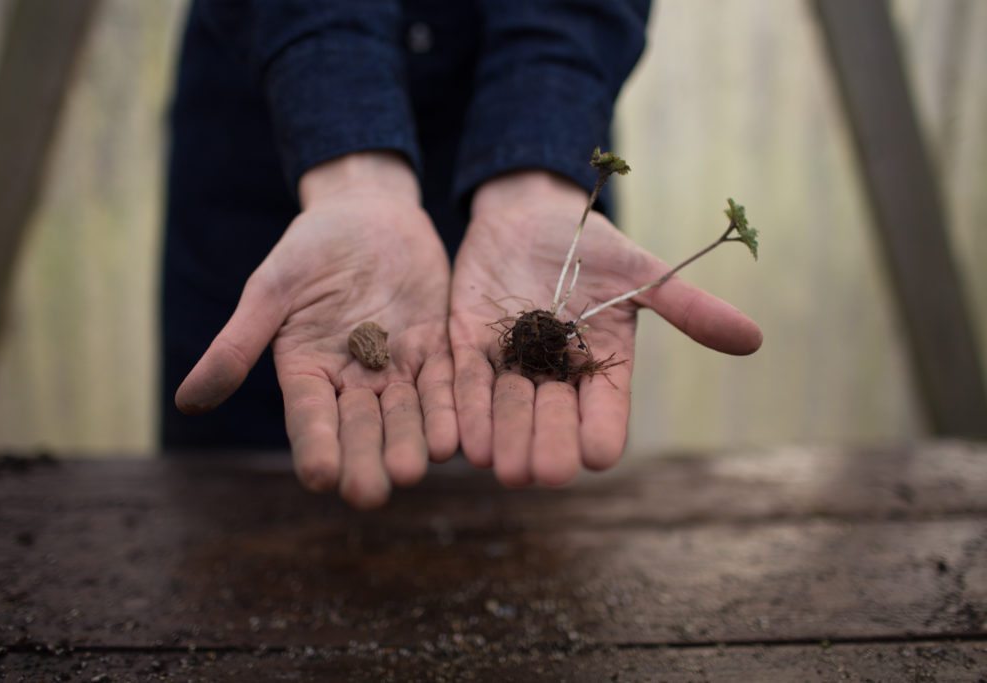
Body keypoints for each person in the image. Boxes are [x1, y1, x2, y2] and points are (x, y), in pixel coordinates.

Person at [162, 0, 763, 509]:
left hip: (537, 124)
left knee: (521, 503)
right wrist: (347, 159)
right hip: (282, 125)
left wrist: (539, 166)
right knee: (257, 498)